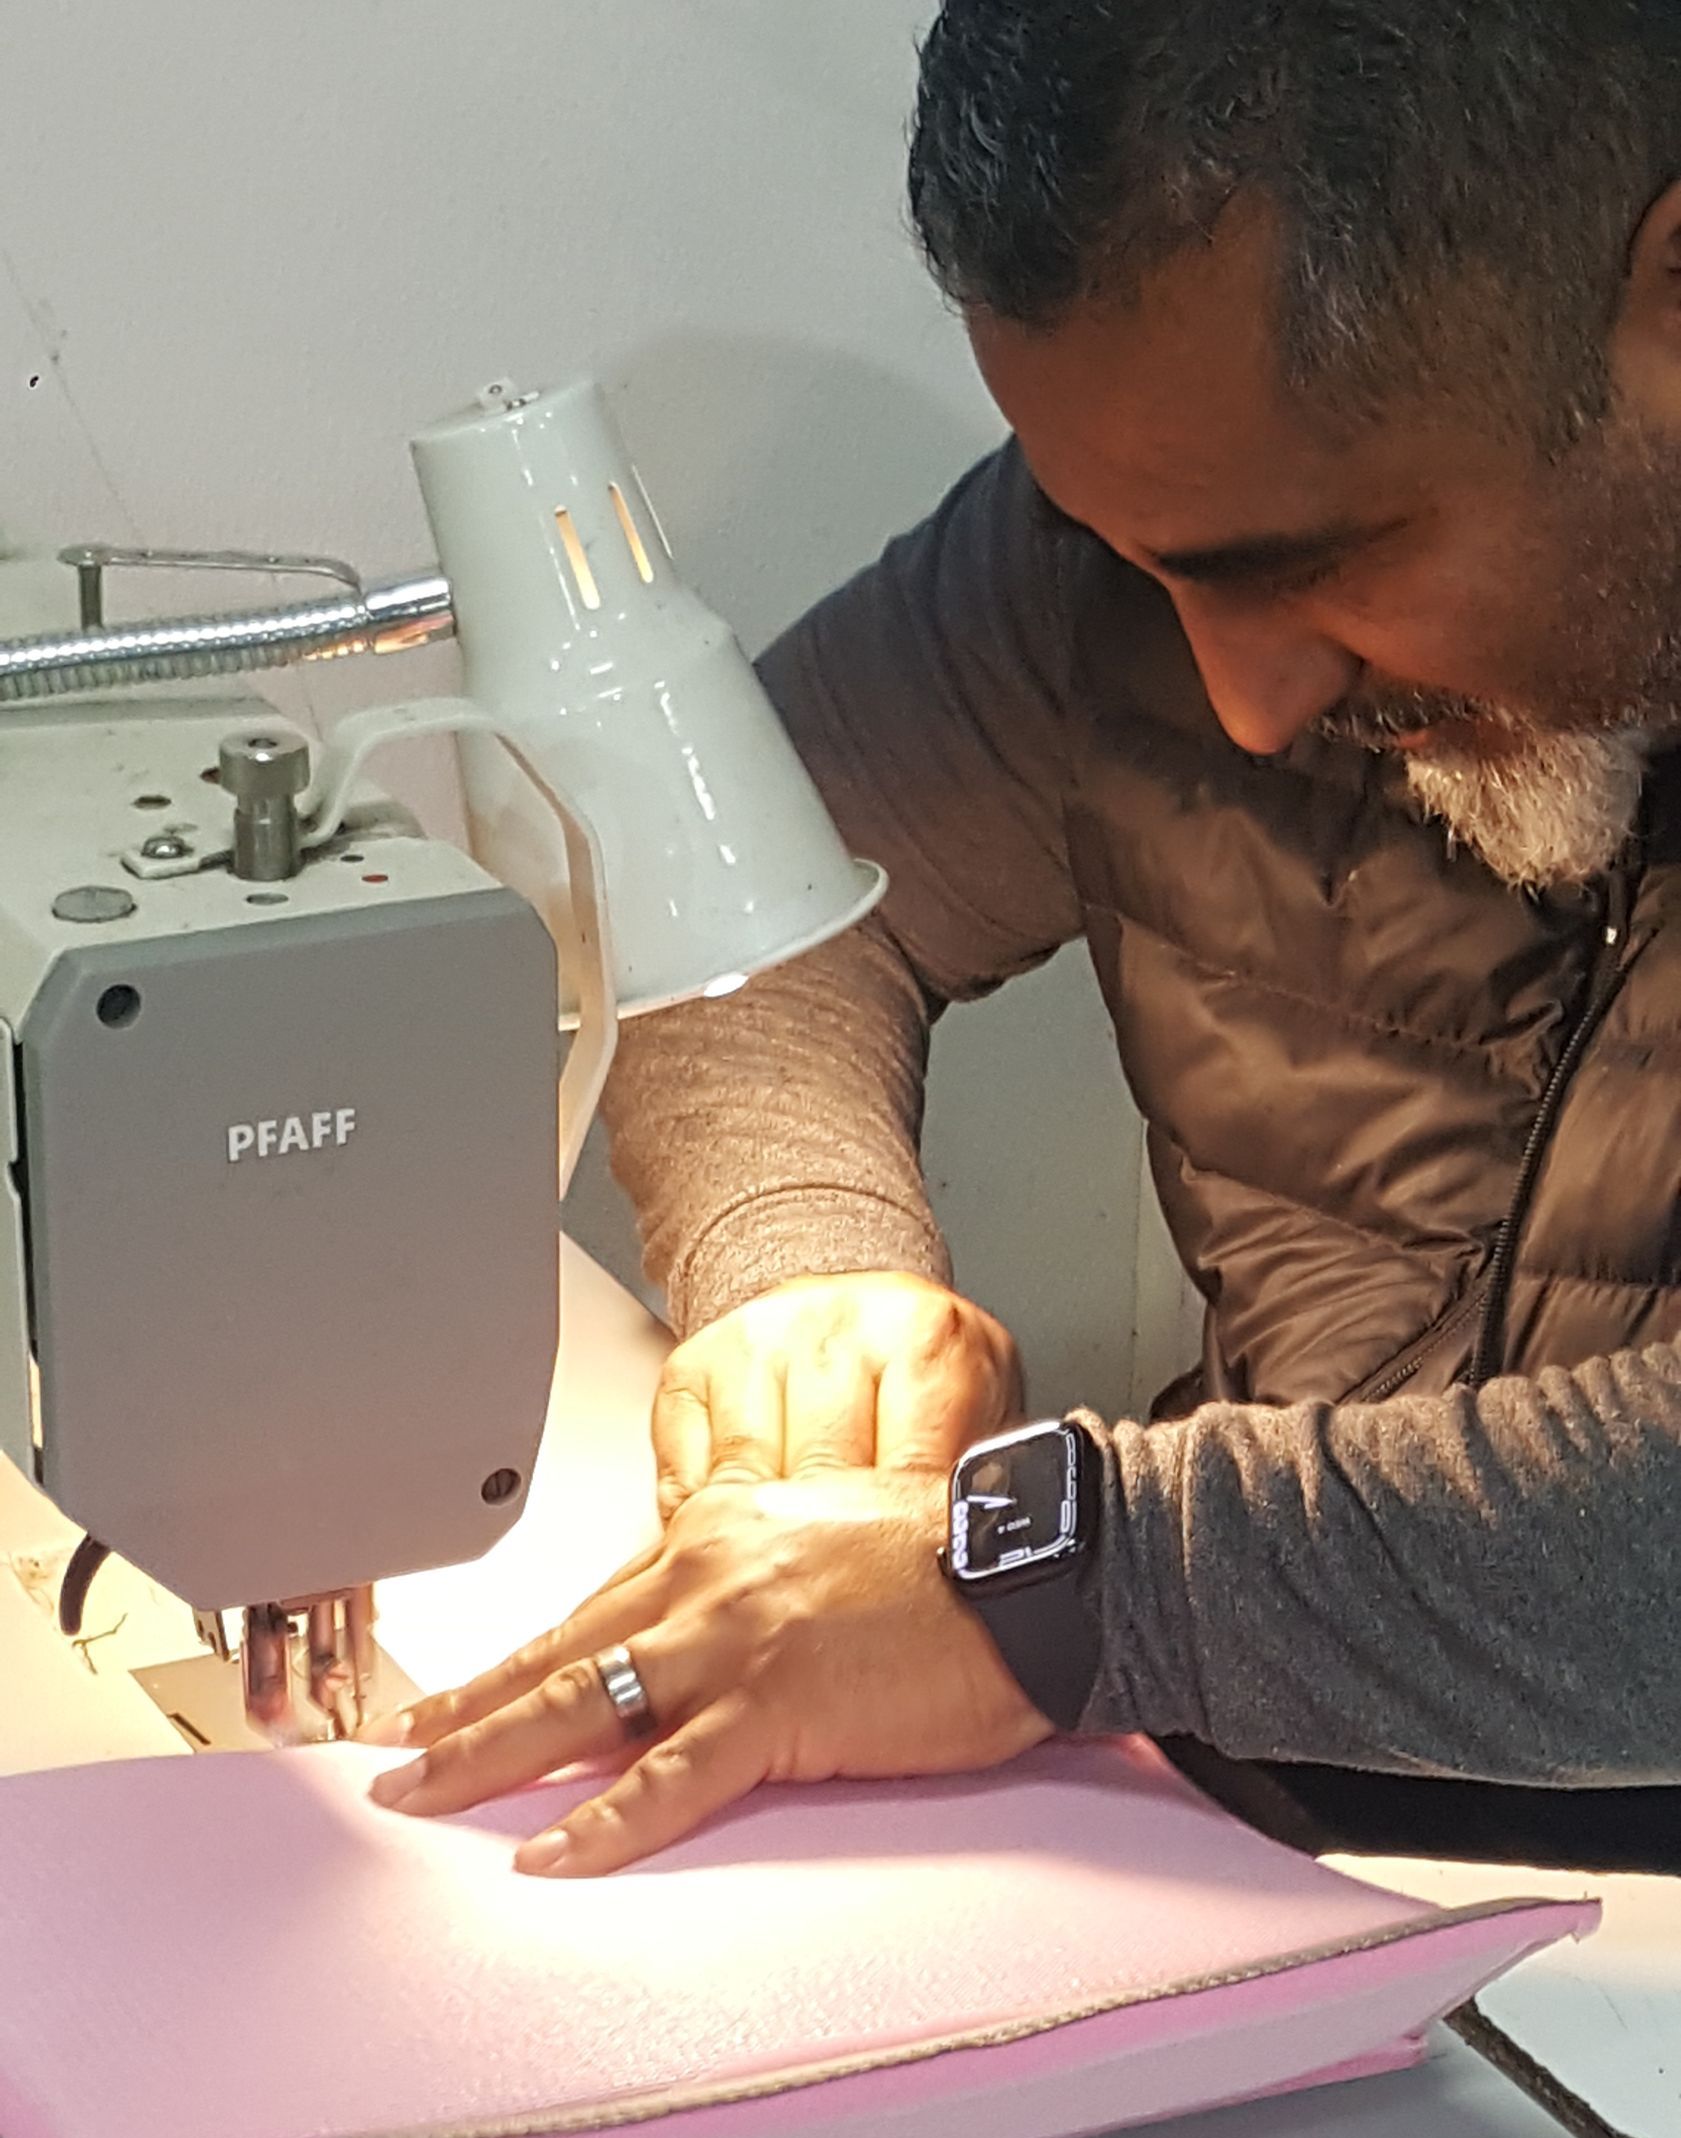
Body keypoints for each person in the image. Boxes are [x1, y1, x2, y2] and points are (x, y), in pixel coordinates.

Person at [373, 0, 1681, 1879]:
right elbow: (747, 911)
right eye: (1138, 559)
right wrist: (807, 1273)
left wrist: (1062, 1578)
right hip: (1257, 1846)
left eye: (1307, 567)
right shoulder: (1144, 543)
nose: (1241, 701)